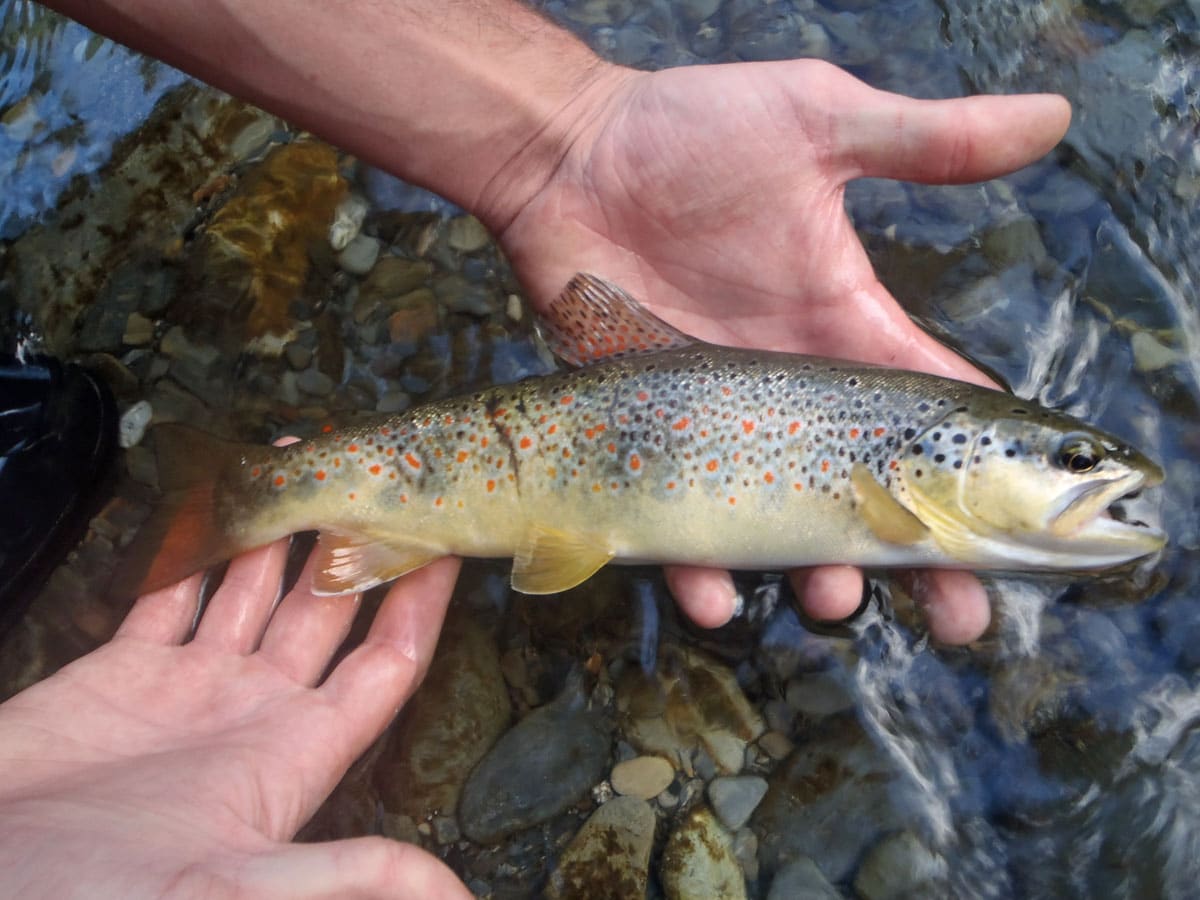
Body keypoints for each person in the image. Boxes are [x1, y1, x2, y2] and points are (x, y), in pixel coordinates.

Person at [1, 0, 1071, 894]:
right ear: (954, 450)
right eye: (1067, 461)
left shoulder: (905, 450)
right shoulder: (902, 461)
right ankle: (231, 492)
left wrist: (568, 132)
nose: (1085, 480)